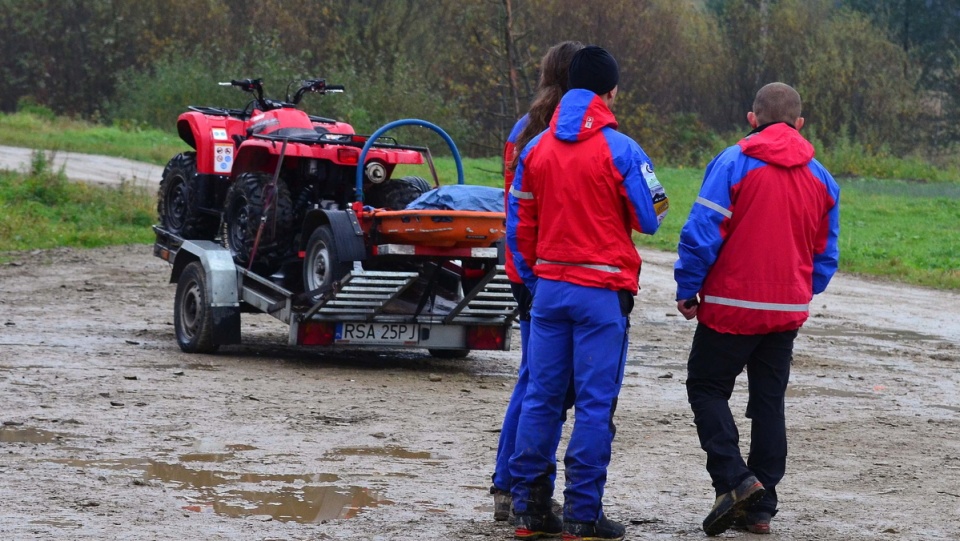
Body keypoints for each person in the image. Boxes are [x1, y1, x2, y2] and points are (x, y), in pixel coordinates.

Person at [506, 45, 669, 541]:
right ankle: (582, 515)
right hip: (601, 293)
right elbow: (652, 217)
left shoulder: (536, 149)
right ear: (610, 91)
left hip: (550, 291)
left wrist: (536, 282)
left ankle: (529, 512)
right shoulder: (622, 149)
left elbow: (518, 227)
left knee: (541, 399)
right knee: (596, 406)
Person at [674, 82, 840, 536]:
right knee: (769, 402)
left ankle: (735, 479)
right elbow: (826, 256)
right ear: (799, 124)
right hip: (784, 311)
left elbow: (702, 231)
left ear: (753, 118)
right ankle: (761, 508)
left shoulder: (732, 163)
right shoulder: (822, 178)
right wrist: (798, 289)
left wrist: (689, 288)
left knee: (706, 387)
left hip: (730, 307)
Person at [490, 39, 584, 524]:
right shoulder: (561, 133)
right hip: (548, 268)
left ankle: (512, 485)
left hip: (523, 265)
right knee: (540, 383)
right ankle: (511, 483)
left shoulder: (523, 128)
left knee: (536, 379)